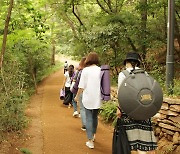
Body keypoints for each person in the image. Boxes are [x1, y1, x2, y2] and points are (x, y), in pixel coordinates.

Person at [117, 52, 157, 154]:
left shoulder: (123, 74)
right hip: (144, 109)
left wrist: (119, 108)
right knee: (142, 141)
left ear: (127, 62)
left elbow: (121, 94)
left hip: (128, 109)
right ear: (137, 62)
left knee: (130, 140)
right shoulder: (145, 74)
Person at [75, 52, 102, 149]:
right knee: (95, 117)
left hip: (88, 98)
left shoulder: (85, 71)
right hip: (98, 98)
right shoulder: (101, 70)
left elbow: (81, 86)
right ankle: (93, 135)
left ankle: (90, 141)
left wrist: (77, 96)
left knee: (89, 118)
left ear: (88, 59)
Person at [71, 57, 86, 130]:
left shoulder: (80, 71)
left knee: (82, 108)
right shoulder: (89, 71)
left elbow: (76, 81)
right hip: (88, 92)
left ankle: (84, 125)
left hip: (79, 90)